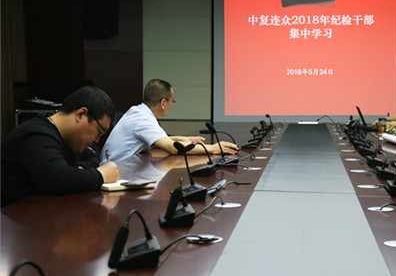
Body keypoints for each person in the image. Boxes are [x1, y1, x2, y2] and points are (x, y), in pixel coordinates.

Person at [1, 86, 120, 206]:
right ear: (81, 114)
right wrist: (101, 175)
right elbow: (58, 180)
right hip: (11, 213)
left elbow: (92, 158)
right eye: (99, 131)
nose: (97, 140)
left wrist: (77, 174)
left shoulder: (71, 138)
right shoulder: (36, 136)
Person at [101, 79, 238, 163]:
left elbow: (159, 140)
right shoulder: (143, 119)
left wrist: (184, 139)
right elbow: (172, 148)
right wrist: (213, 148)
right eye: (172, 101)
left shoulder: (138, 111)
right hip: (115, 173)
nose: (172, 104)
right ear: (163, 103)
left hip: (121, 168)